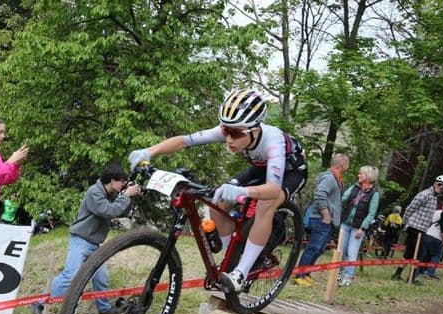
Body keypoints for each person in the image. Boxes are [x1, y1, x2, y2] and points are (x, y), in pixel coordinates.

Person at [128, 88, 308, 291]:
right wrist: (149, 151)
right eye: (225, 130)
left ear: (255, 129)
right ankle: (230, 257)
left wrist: (245, 192)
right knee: (218, 199)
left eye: (236, 133)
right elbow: (185, 140)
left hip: (292, 172)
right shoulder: (232, 130)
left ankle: (241, 273)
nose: (229, 139)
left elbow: (273, 189)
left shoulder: (273, 141)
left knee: (266, 204)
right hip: (261, 167)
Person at [30, 162, 142, 314]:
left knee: (102, 278)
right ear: (112, 180)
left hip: (94, 244)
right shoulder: (94, 192)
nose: (124, 184)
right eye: (122, 181)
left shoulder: (110, 194)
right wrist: (126, 196)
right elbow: (109, 211)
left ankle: (104, 308)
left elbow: (121, 211)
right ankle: (38, 303)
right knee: (70, 276)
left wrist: (130, 197)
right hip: (81, 240)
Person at [293, 154, 349, 287]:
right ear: (341, 165)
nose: (348, 166)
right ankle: (300, 276)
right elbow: (319, 194)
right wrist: (326, 215)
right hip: (320, 220)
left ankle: (306, 274)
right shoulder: (329, 178)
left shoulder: (336, 179)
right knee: (313, 248)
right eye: (347, 163)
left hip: (326, 222)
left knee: (319, 249)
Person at [391, 174, 443, 284]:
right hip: (415, 227)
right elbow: (410, 208)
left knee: (410, 253)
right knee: (419, 254)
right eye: (440, 184)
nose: (441, 187)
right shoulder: (425, 194)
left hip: (422, 228)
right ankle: (411, 278)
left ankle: (397, 274)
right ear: (435, 183)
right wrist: (405, 223)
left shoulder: (434, 197)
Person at [338, 166, 380, 286]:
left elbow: (371, 213)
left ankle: (347, 277)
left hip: (358, 227)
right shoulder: (354, 187)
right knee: (341, 251)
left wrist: (362, 228)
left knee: (352, 253)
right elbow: (343, 199)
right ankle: (339, 273)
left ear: (368, 176)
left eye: (361, 173)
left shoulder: (374, 194)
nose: (358, 175)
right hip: (346, 223)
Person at [416, 200, 443, 280]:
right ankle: (430, 273)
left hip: (427, 234)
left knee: (425, 255)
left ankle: (419, 270)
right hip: (436, 237)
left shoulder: (432, 212)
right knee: (437, 255)